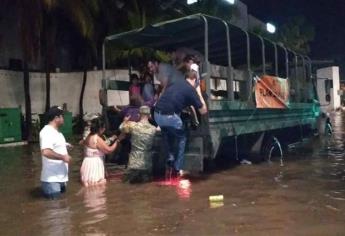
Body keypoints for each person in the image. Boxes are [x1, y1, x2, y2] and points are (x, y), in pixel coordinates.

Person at [154, 74, 208, 176]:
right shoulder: (191, 90)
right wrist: (199, 92)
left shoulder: (176, 82)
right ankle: (177, 168)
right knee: (182, 137)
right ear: (195, 81)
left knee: (167, 132)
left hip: (157, 114)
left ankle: (170, 156)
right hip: (170, 116)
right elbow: (203, 111)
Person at [120, 106, 159, 183]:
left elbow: (121, 128)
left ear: (139, 115)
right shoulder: (153, 129)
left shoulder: (132, 125)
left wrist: (125, 121)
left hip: (133, 163)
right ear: (149, 115)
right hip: (147, 164)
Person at [40, 106, 71, 199]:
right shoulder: (47, 132)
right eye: (62, 116)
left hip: (60, 177)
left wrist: (65, 145)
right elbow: (46, 151)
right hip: (52, 180)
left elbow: (54, 145)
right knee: (55, 210)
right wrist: (63, 157)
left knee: (63, 208)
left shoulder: (57, 133)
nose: (63, 118)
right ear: (56, 118)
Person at [80, 117, 121, 187]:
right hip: (94, 165)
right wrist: (117, 141)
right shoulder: (97, 138)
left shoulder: (88, 136)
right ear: (100, 128)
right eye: (104, 127)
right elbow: (109, 150)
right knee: (97, 187)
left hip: (87, 163)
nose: (104, 129)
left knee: (89, 185)